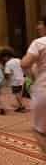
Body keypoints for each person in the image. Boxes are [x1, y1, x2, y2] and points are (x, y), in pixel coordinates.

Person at [22, 17, 46, 154]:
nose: (37, 27)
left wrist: (31, 76)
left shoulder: (39, 43)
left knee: (39, 132)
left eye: (40, 24)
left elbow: (24, 64)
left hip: (43, 90)